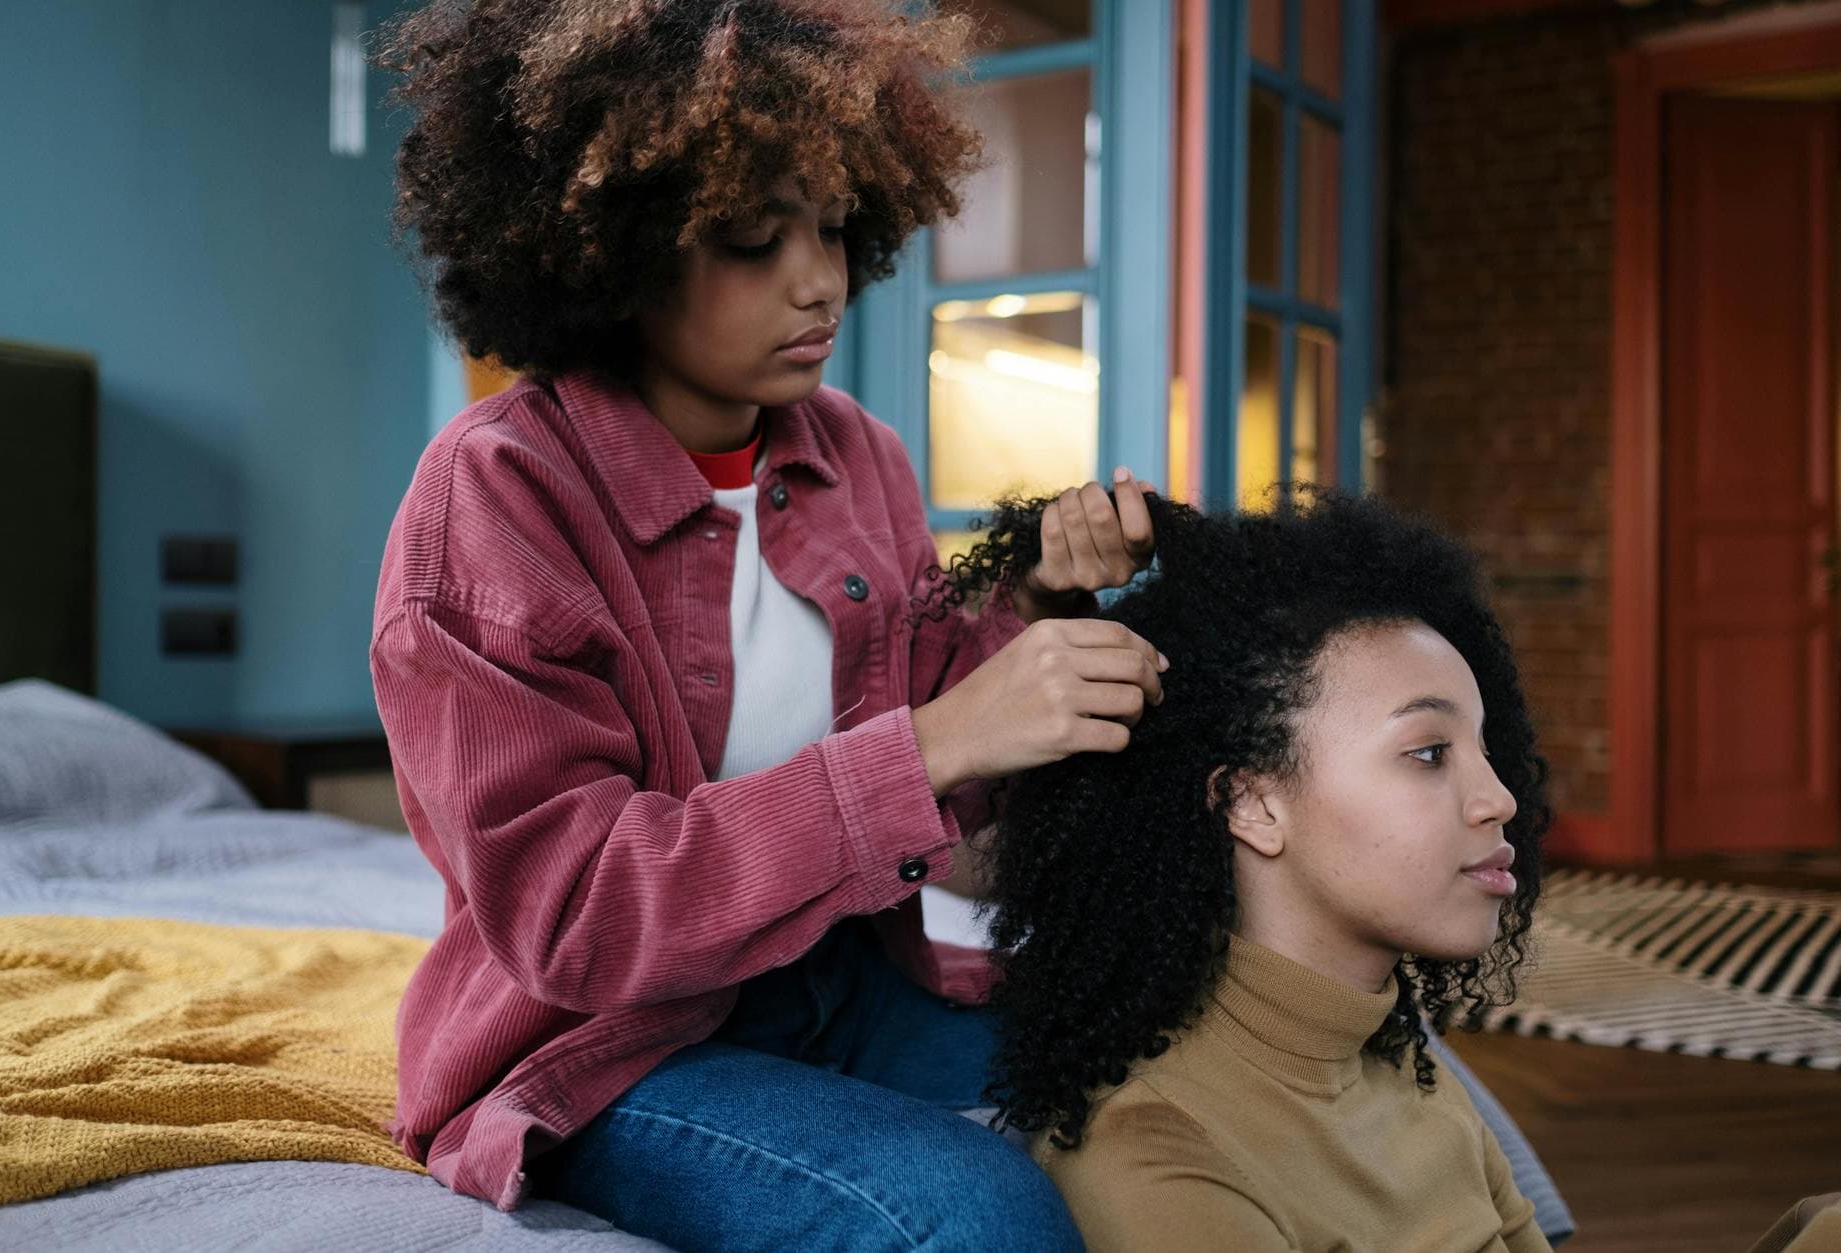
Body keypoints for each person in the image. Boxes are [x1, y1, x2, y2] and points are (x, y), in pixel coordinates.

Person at [369, 1, 1163, 1248]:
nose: (820, 281)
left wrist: (1050, 607)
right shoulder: (495, 496)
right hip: (605, 1047)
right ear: (604, 250)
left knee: (1188, 1066)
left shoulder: (856, 454)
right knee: (975, 1213)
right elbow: (575, 910)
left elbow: (947, 720)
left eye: (836, 226)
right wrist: (939, 739)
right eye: (751, 238)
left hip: (838, 979)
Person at [943, 489, 1558, 1251]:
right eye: (1428, 752)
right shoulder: (1164, 1154)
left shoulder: (1406, 1075)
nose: (1499, 799)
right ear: (1252, 805)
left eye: (1486, 749)